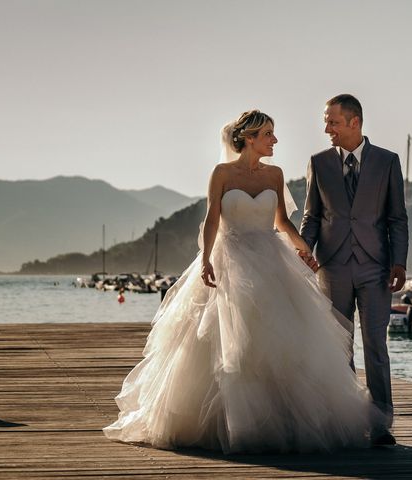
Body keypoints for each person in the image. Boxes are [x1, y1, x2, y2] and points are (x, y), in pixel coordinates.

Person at [103, 110, 380, 454]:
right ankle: (231, 423)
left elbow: (281, 221)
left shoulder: (275, 175)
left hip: (270, 261)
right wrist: (205, 260)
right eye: (268, 134)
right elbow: (211, 220)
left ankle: (284, 423)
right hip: (229, 260)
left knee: (281, 344)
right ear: (250, 138)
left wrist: (305, 250)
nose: (275, 140)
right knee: (228, 346)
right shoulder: (221, 174)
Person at [300, 94, 409, 446]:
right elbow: (312, 217)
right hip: (331, 268)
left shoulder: (387, 161)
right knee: (339, 347)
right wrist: (302, 253)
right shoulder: (318, 163)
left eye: (332, 121)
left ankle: (380, 424)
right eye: (326, 121)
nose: (326, 128)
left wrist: (399, 261)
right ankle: (345, 421)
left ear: (354, 122)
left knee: (375, 345)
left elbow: (397, 218)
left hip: (375, 269)